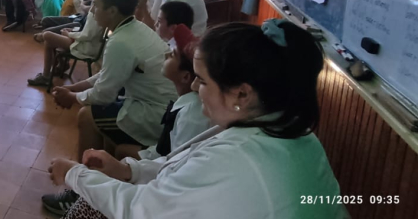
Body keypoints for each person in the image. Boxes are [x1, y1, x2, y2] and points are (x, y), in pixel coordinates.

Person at [47, 20, 347, 219]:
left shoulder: (239, 158)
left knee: (91, 207)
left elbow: (141, 210)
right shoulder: (285, 129)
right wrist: (127, 170)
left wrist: (74, 174)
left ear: (242, 94)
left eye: (202, 81)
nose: (193, 86)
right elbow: (182, 166)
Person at [42, 22, 212, 217]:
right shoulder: (186, 102)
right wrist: (128, 168)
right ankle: (88, 188)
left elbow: (173, 169)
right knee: (116, 151)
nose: (165, 55)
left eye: (172, 54)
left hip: (152, 123)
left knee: (88, 117)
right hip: (154, 140)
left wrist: (72, 96)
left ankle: (79, 193)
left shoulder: (193, 115)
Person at [49, 0, 176, 158]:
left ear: (112, 11)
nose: (92, 10)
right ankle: (101, 167)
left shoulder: (120, 41)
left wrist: (72, 97)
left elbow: (103, 95)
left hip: (157, 115)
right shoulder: (134, 28)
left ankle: (84, 174)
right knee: (101, 114)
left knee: (87, 116)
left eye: (96, 5)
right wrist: (75, 88)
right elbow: (109, 73)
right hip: (162, 107)